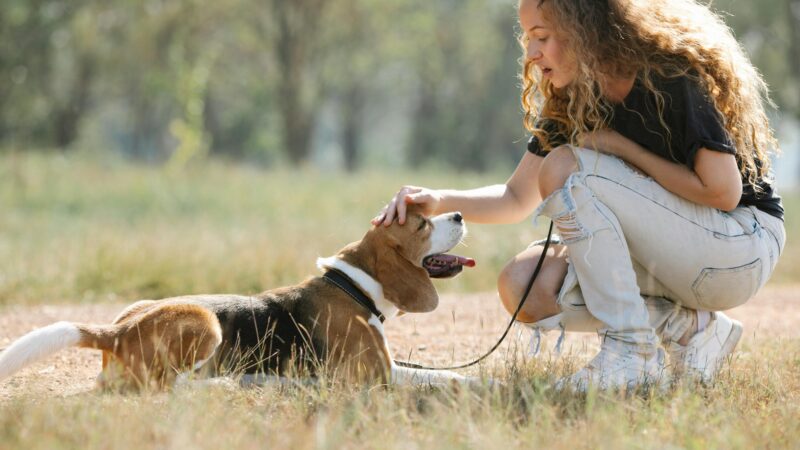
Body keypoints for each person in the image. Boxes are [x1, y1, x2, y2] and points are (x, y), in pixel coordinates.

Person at [373, 0, 785, 391]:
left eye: (542, 36)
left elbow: (724, 192)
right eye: (527, 39)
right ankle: (692, 330)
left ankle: (632, 353)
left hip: (738, 249)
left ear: (584, 28)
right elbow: (516, 197)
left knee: (566, 166)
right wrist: (438, 200)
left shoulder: (668, 75)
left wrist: (621, 149)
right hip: (679, 254)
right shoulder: (574, 98)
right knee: (524, 284)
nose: (532, 53)